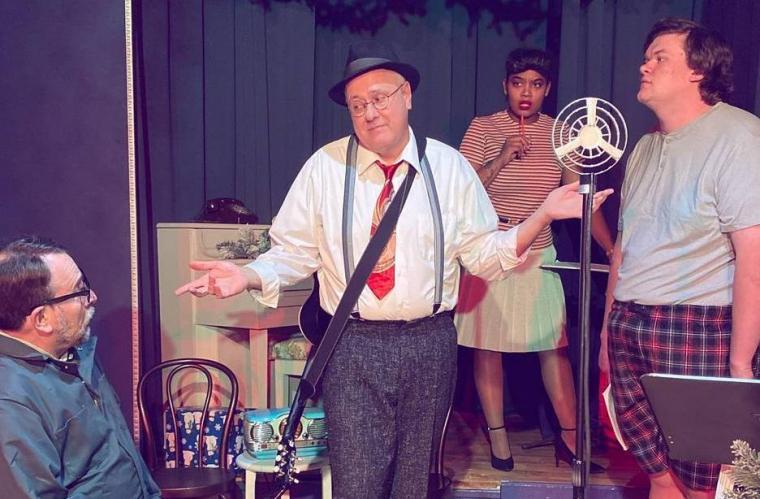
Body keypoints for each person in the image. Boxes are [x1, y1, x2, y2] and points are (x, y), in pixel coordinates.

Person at [176, 40, 612, 498]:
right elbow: (293, 251)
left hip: (430, 341)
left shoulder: (447, 166)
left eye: (380, 98)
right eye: (357, 104)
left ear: (407, 96)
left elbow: (484, 254)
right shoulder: (324, 167)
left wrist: (541, 215)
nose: (369, 112)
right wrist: (245, 275)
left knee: (414, 485)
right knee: (357, 481)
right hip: (353, 343)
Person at [600, 18, 760, 499]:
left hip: (697, 326)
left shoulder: (738, 135)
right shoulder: (646, 146)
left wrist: (739, 365)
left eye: (659, 57)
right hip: (631, 325)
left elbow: (752, 261)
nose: (643, 66)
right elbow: (626, 248)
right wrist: (608, 330)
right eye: (646, 58)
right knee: (658, 473)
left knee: (707, 482)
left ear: (697, 70)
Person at [455, 47, 614, 472]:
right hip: (489, 250)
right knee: (487, 349)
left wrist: (610, 248)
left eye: (537, 84)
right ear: (506, 86)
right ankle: (498, 442)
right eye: (518, 83)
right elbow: (461, 192)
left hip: (538, 251)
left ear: (548, 89)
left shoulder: (562, 133)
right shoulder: (483, 128)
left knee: (554, 348)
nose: (527, 92)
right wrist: (503, 156)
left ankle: (571, 442)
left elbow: (579, 199)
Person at [0, 237, 160, 499]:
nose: (93, 297)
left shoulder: (77, 355)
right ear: (42, 319)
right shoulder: (10, 402)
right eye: (80, 290)